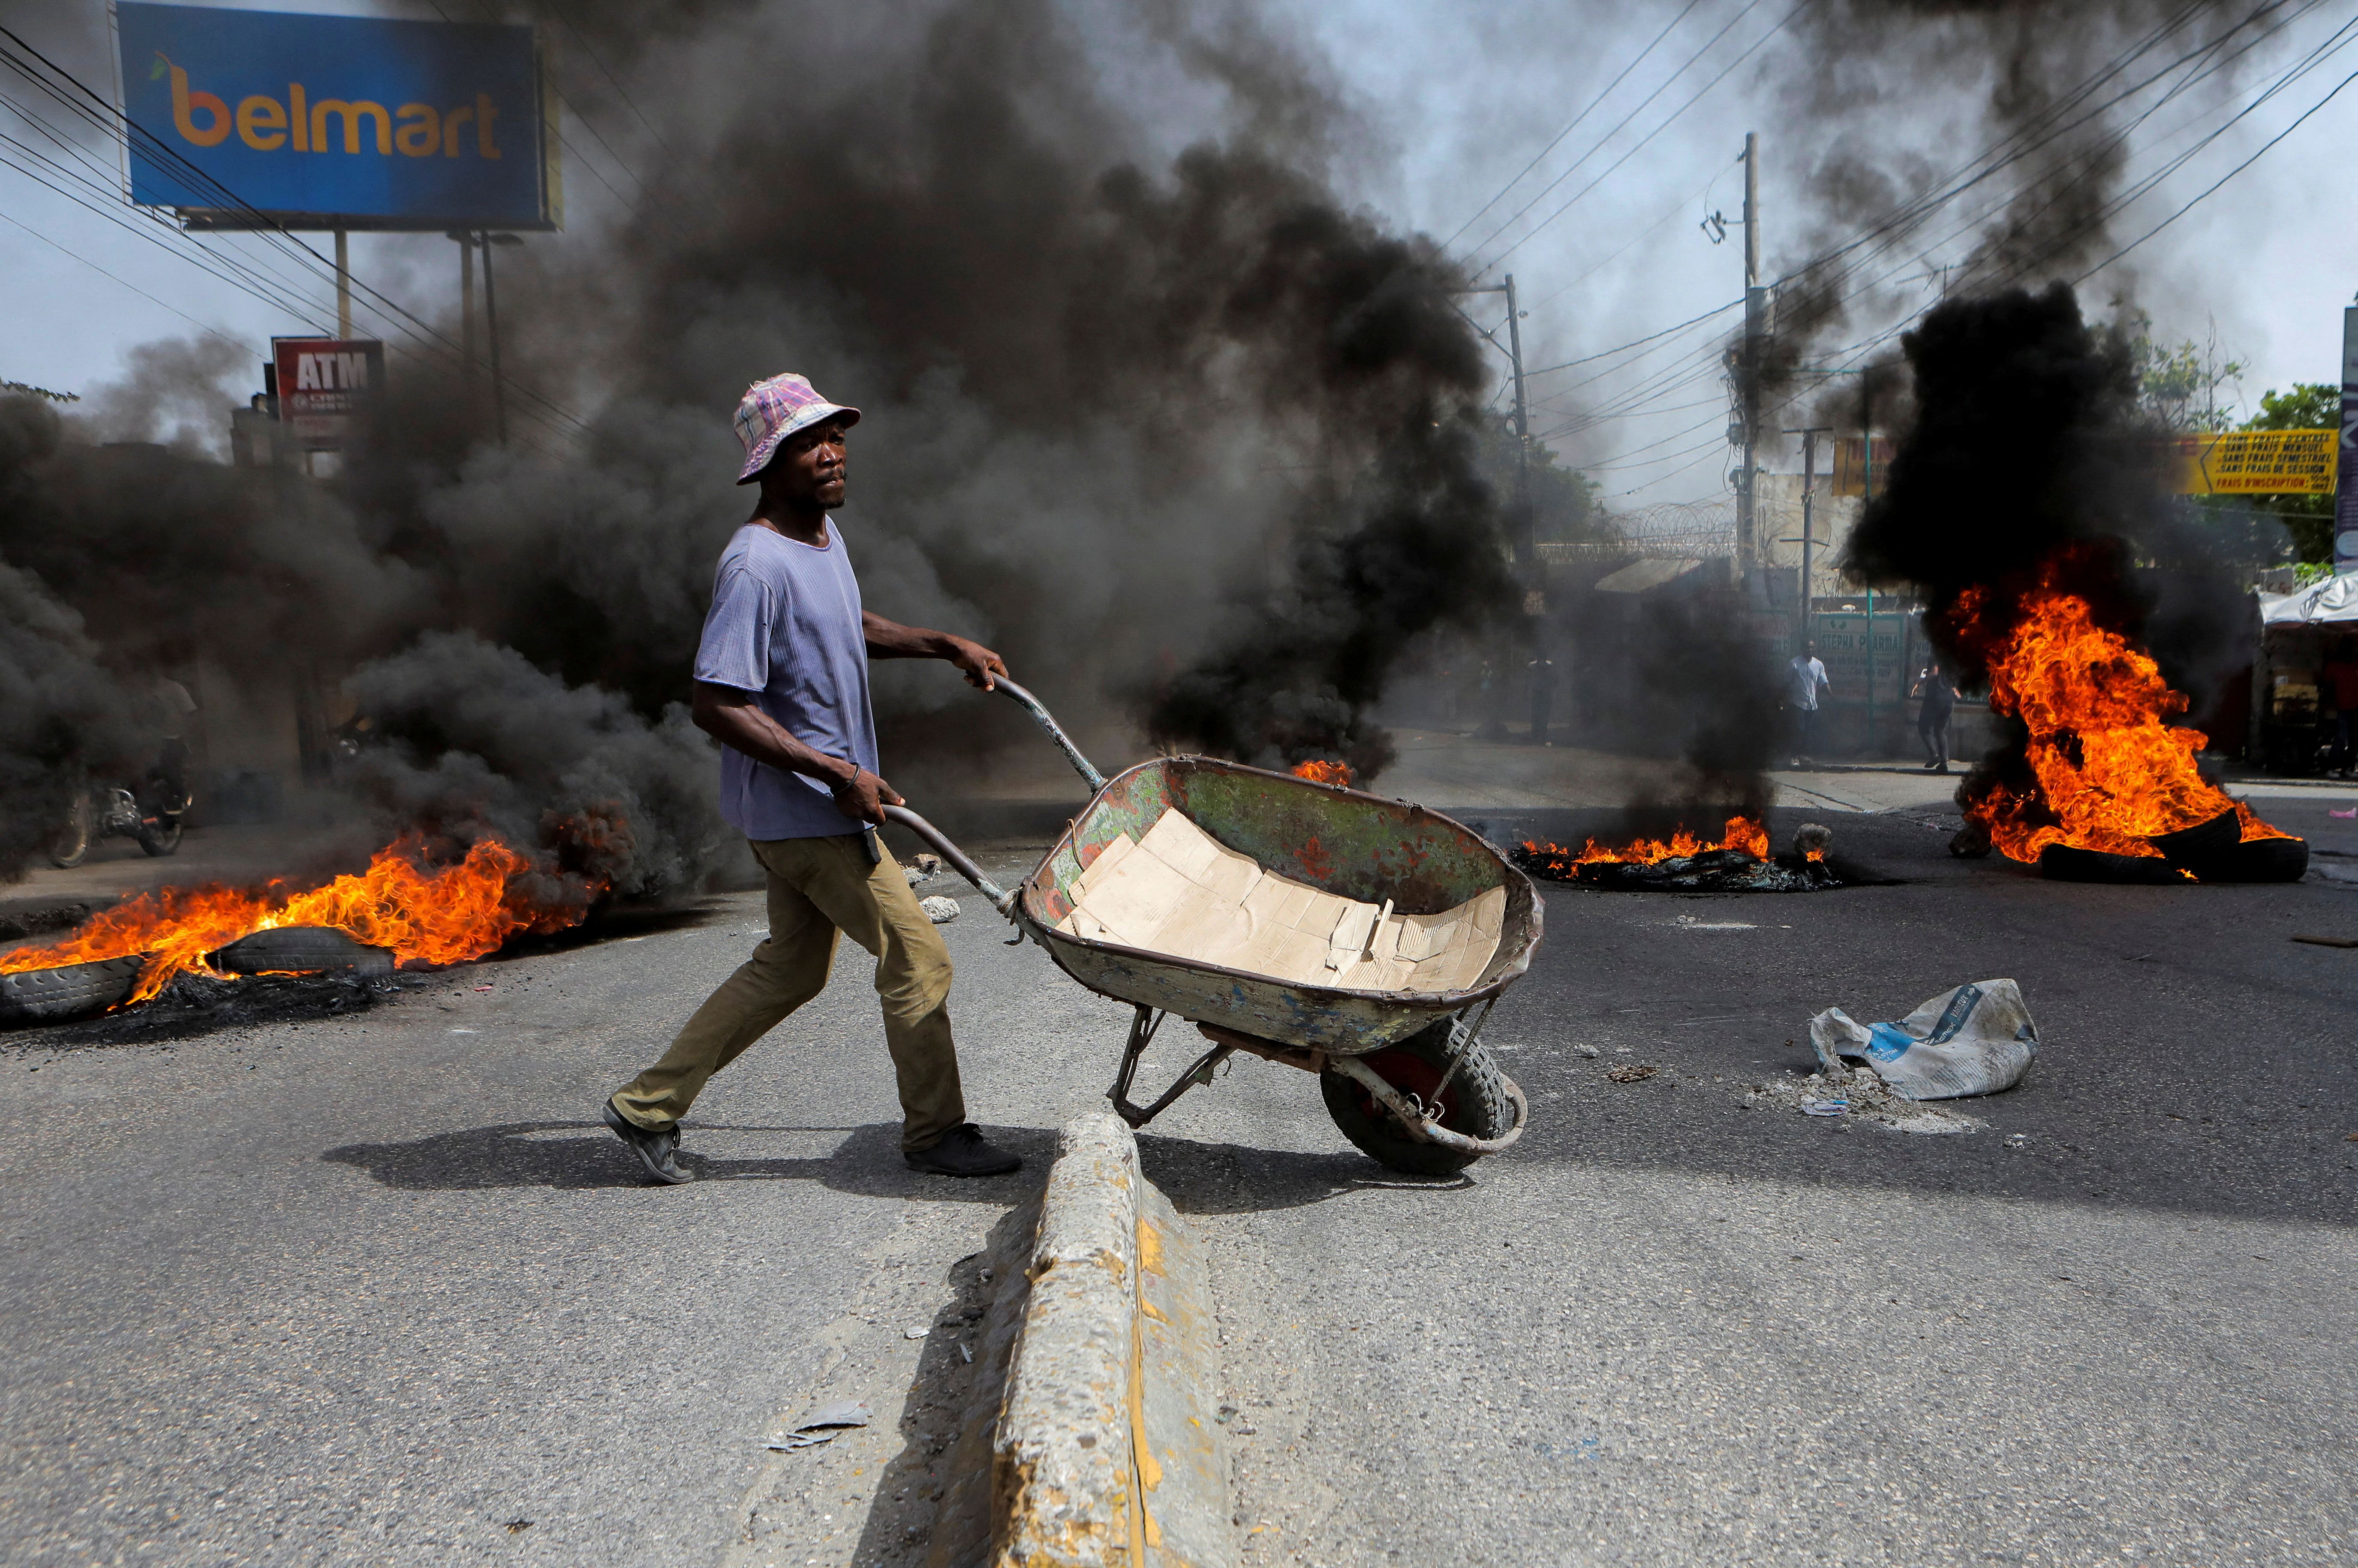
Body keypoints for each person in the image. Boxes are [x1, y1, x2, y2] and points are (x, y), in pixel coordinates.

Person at [602, 373, 1021, 1186]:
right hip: (809, 814)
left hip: (810, 807)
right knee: (921, 957)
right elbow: (716, 703)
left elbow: (847, 624)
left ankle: (647, 1106)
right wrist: (836, 773)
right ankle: (937, 1133)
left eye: (835, 437)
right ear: (770, 463)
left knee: (793, 967)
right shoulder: (754, 564)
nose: (831, 454)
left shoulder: (821, 541)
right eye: (808, 443)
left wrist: (943, 643)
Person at [1785, 639, 1829, 767]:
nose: (1809, 650)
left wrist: (1832, 697)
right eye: (1807, 648)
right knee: (1799, 730)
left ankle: (1803, 755)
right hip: (1798, 702)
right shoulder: (1794, 664)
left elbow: (1824, 683)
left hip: (1812, 704)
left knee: (1808, 731)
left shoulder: (1818, 665)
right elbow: (1787, 683)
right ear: (1802, 649)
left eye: (1811, 648)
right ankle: (1794, 757)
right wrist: (1782, 698)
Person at [1912, 659, 1960, 774]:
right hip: (1949, 700)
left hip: (1935, 698)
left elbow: (1934, 673)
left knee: (1923, 728)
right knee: (1940, 730)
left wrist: (1919, 683)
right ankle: (1944, 764)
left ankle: (1935, 756)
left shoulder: (1937, 655)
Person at [2323, 637, 2358, 778]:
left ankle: (2347, 768)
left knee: (2354, 740)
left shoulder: (2355, 666)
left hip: (2355, 708)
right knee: (2341, 738)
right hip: (2341, 708)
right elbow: (2326, 685)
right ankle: (2332, 768)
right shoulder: (2335, 667)